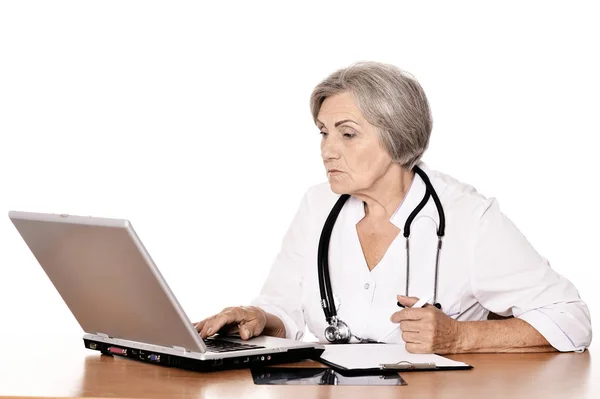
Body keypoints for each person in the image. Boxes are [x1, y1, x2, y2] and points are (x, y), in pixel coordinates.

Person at [194, 61, 592, 354]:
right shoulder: (318, 205)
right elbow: (284, 309)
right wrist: (261, 319)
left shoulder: (468, 217)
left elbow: (570, 319)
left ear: (397, 135)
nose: (327, 150)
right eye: (323, 133)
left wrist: (461, 336)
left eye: (347, 134)